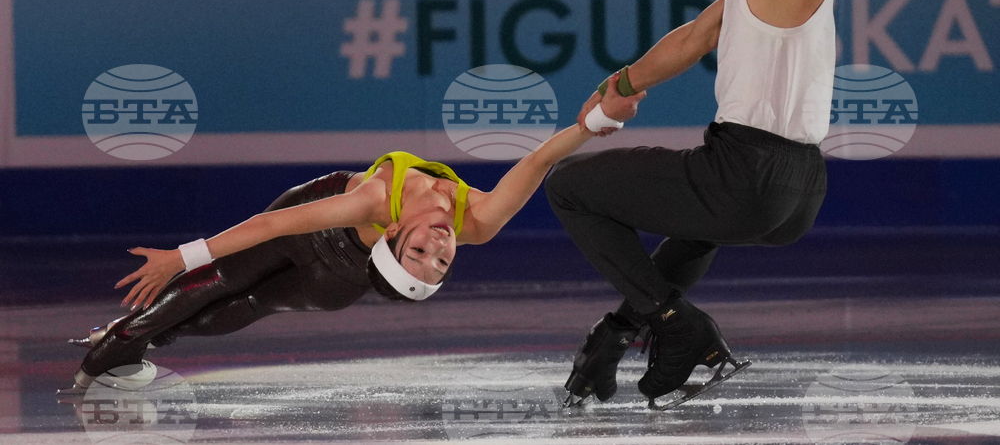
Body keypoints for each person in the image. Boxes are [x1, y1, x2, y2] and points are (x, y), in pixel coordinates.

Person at [545, 0, 962, 409]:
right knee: (693, 231)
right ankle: (619, 334)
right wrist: (620, 89)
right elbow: (690, 40)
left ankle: (682, 328)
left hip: (746, 172)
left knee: (569, 187)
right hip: (795, 190)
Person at [59, 104, 642, 393]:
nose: (439, 248)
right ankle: (122, 340)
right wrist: (594, 120)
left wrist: (179, 260)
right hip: (314, 225)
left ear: (393, 237)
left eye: (422, 256)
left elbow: (266, 234)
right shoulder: (472, 220)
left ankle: (146, 335)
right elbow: (540, 159)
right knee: (226, 278)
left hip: (334, 279)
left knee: (246, 304)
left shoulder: (381, 210)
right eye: (441, 260)